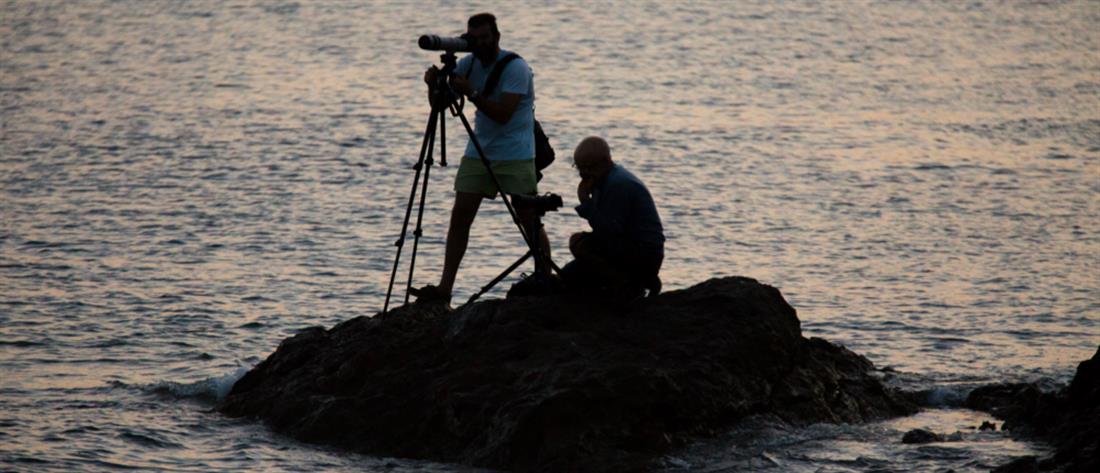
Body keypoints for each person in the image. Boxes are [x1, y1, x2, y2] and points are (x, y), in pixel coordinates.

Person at [414, 13, 543, 304]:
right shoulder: (467, 64)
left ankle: (544, 276)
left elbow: (502, 114)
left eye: (485, 37)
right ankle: (444, 289)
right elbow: (440, 106)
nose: (481, 43)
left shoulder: (516, 67)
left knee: (528, 217)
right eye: (475, 39)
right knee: (460, 216)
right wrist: (433, 86)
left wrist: (470, 92)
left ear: (496, 37)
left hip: (516, 152)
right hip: (479, 150)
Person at [562, 136, 665, 299]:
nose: (583, 174)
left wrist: (585, 203)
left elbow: (609, 231)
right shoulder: (602, 181)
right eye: (580, 168)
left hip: (643, 253)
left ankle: (628, 286)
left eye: (588, 168)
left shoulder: (618, 184)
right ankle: (641, 280)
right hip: (628, 246)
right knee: (568, 275)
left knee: (579, 244)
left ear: (605, 162)